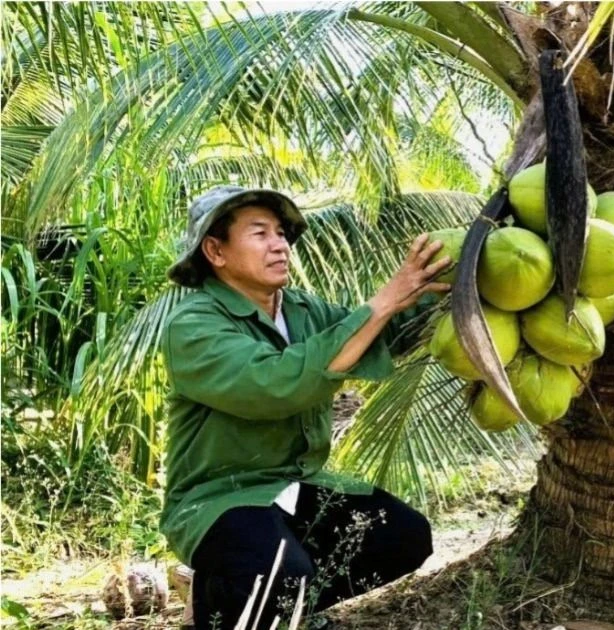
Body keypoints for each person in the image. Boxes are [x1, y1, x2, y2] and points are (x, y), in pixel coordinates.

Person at [161, 186, 450, 629]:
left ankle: (251, 599)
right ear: (216, 251)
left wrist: (449, 289)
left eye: (280, 233)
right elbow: (278, 384)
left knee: (405, 537)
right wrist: (385, 298)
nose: (279, 244)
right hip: (220, 499)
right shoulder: (194, 325)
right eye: (259, 234)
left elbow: (377, 336)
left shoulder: (302, 309)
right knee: (280, 574)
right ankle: (228, 601)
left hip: (294, 486)